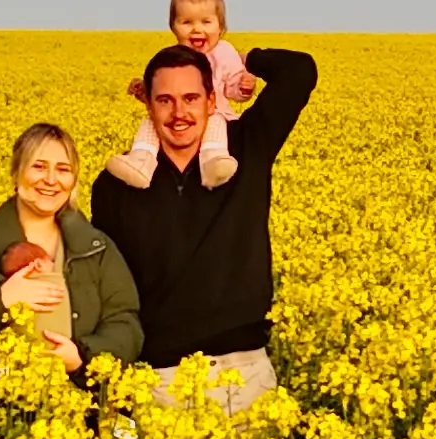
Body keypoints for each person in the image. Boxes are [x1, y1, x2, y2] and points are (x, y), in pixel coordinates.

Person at [91, 37, 316, 414]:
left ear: (212, 102)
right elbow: (107, 289)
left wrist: (238, 59)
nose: (179, 112)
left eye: (191, 98)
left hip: (245, 377)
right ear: (147, 104)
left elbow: (299, 71)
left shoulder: (246, 148)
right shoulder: (118, 184)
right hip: (161, 384)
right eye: (165, 100)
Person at [0, 122, 142, 373]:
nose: (51, 180)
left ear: (73, 179)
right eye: (39, 167)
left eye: (63, 169)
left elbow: (125, 323)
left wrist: (81, 358)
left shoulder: (96, 248)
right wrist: (0, 297)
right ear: (16, 172)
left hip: (76, 403)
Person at [106, 0, 252, 190]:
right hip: (179, 125)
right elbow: (162, 94)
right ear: (173, 27)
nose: (196, 30)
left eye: (206, 22)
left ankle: (214, 163)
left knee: (215, 122)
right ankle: (140, 163)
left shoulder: (223, 52)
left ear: (220, 26)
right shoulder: (172, 57)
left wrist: (243, 87)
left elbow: (233, 86)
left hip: (215, 115)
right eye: (187, 23)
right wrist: (145, 90)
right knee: (151, 121)